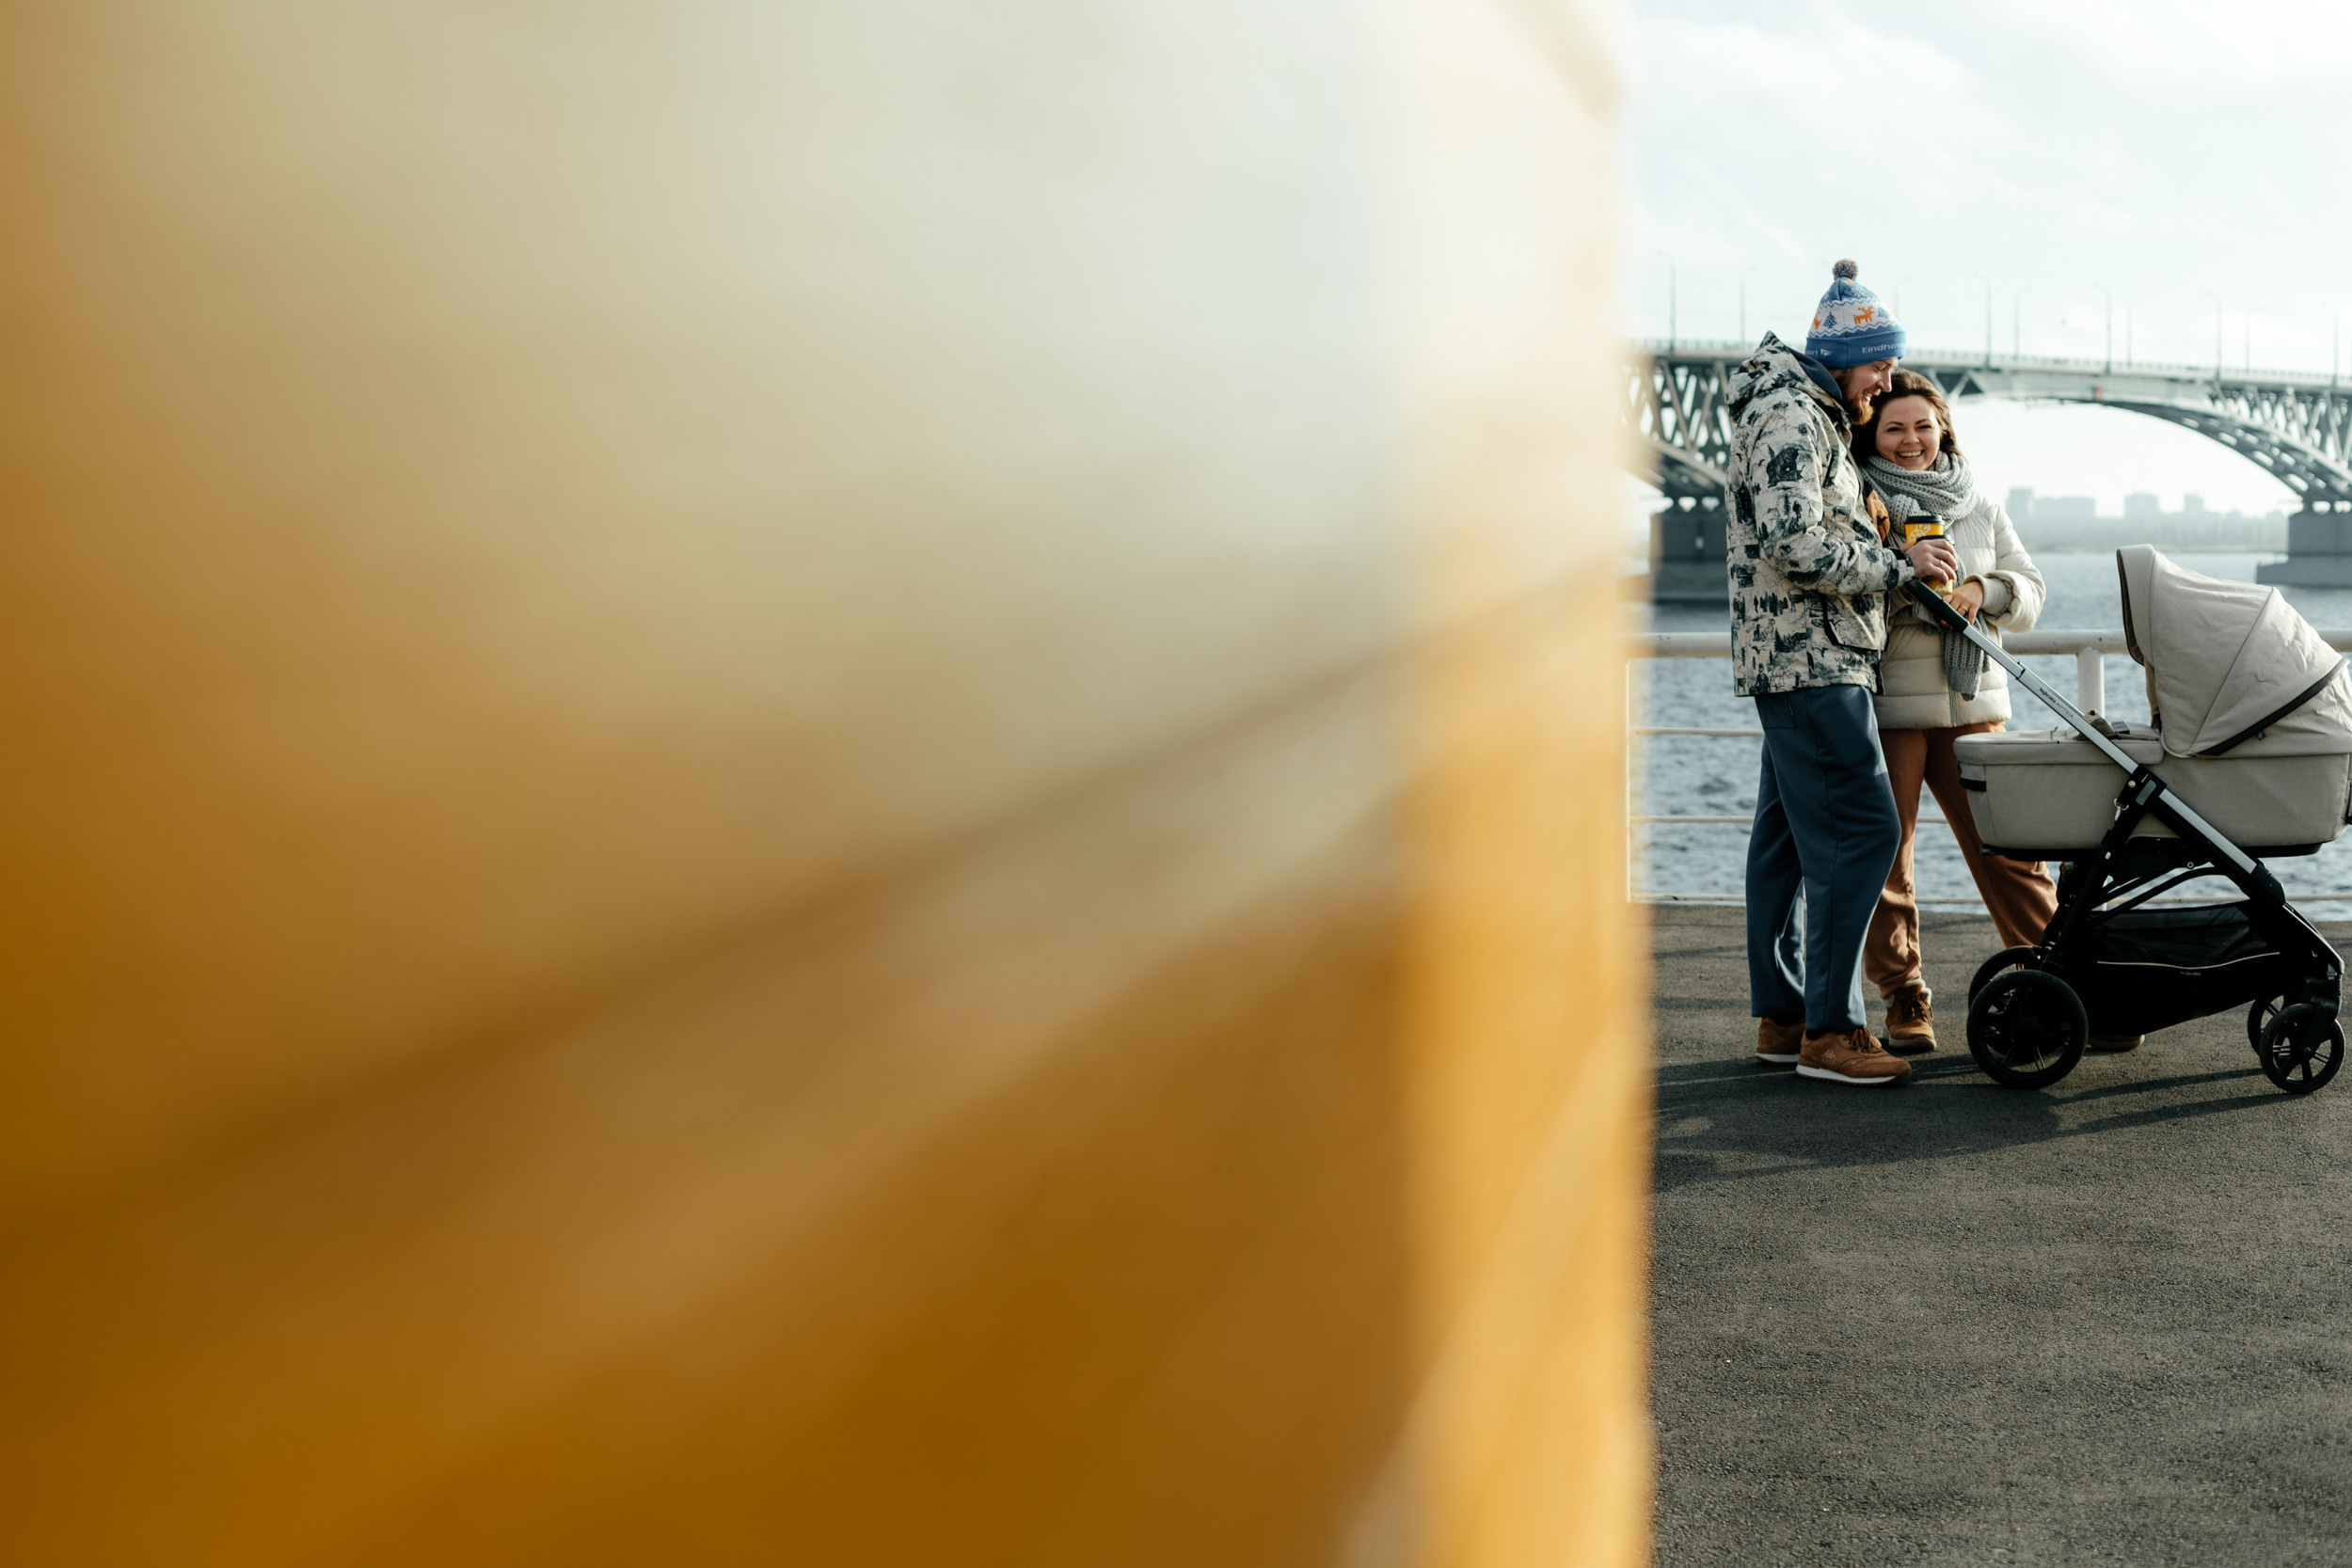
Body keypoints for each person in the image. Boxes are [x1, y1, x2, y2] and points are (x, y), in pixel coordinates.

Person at [1854, 374, 2139, 1054]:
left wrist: (1982, 589)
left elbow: (2031, 590)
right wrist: (1907, 576)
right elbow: (1850, 588)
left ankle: (2066, 985)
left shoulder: (1978, 501)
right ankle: (1903, 995)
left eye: (1922, 426)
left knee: (2013, 851)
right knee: (1887, 857)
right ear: (1874, 435)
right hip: (1892, 704)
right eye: (1894, 428)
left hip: (1973, 700)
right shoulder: (1860, 498)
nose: (1910, 440)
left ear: (1943, 429)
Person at [1726, 261, 1958, 1086]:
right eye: (1880, 366)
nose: (1887, 382)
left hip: (1799, 655)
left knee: (1786, 844)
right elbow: (1795, 544)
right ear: (1843, 357)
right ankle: (1831, 1030)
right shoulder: (1795, 416)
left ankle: (1785, 1016)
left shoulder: (1802, 411)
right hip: (1813, 658)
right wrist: (1899, 566)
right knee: (1865, 830)